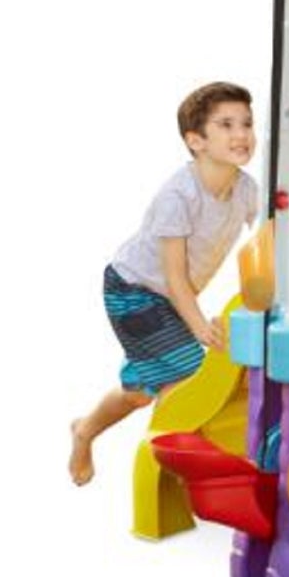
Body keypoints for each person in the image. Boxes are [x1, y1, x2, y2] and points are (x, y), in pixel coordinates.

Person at [69, 81, 259, 485]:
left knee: (139, 392)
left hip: (170, 298)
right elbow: (174, 276)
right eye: (226, 125)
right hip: (133, 291)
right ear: (196, 141)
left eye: (246, 123)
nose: (241, 134)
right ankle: (168, 476)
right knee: (190, 379)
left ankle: (85, 429)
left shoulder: (246, 190)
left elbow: (267, 244)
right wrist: (200, 327)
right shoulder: (179, 196)